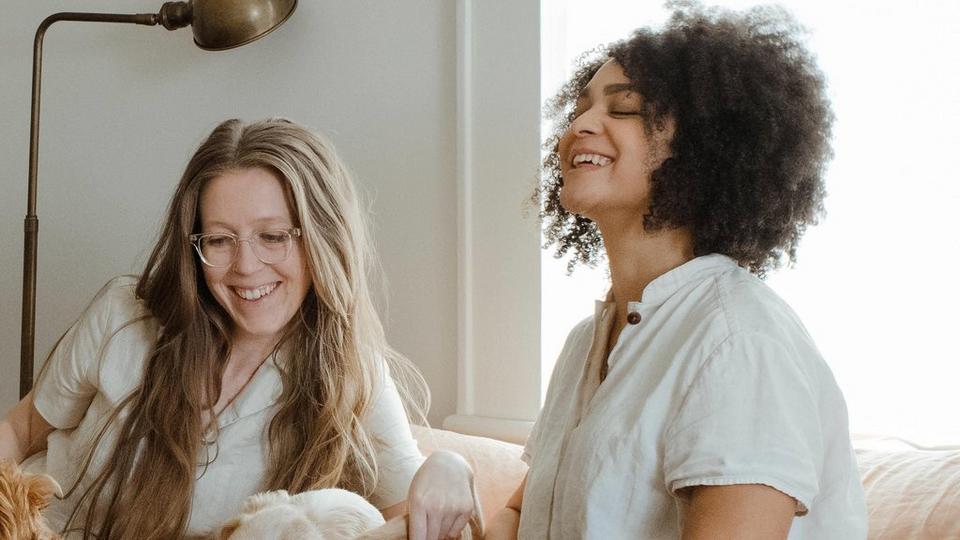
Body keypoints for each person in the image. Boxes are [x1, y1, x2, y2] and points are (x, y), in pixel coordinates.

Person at [486, 3, 867, 539]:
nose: (581, 124)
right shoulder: (586, 344)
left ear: (704, 146)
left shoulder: (738, 342)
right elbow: (524, 513)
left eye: (624, 108)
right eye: (581, 106)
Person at [0, 118, 475, 540]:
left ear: (323, 239)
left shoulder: (352, 375)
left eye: (273, 237)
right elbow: (22, 430)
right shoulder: (123, 314)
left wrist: (452, 467)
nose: (246, 266)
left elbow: (414, 517)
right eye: (221, 240)